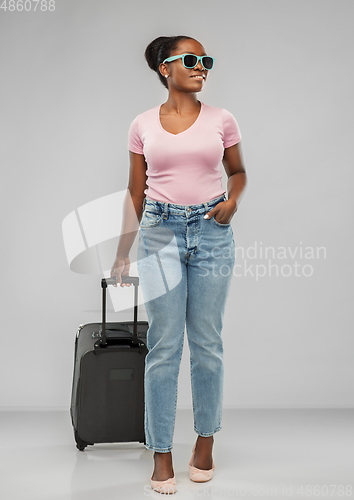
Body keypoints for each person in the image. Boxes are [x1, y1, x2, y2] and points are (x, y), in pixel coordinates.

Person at [111, 35, 247, 494]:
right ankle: (162, 451)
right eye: (192, 60)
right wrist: (122, 251)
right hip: (159, 234)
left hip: (211, 231)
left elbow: (239, 171)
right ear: (166, 69)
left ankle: (205, 443)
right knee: (164, 346)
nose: (202, 66)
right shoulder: (142, 124)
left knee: (207, 341)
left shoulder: (222, 119)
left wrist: (233, 201)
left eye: (206, 60)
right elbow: (135, 190)